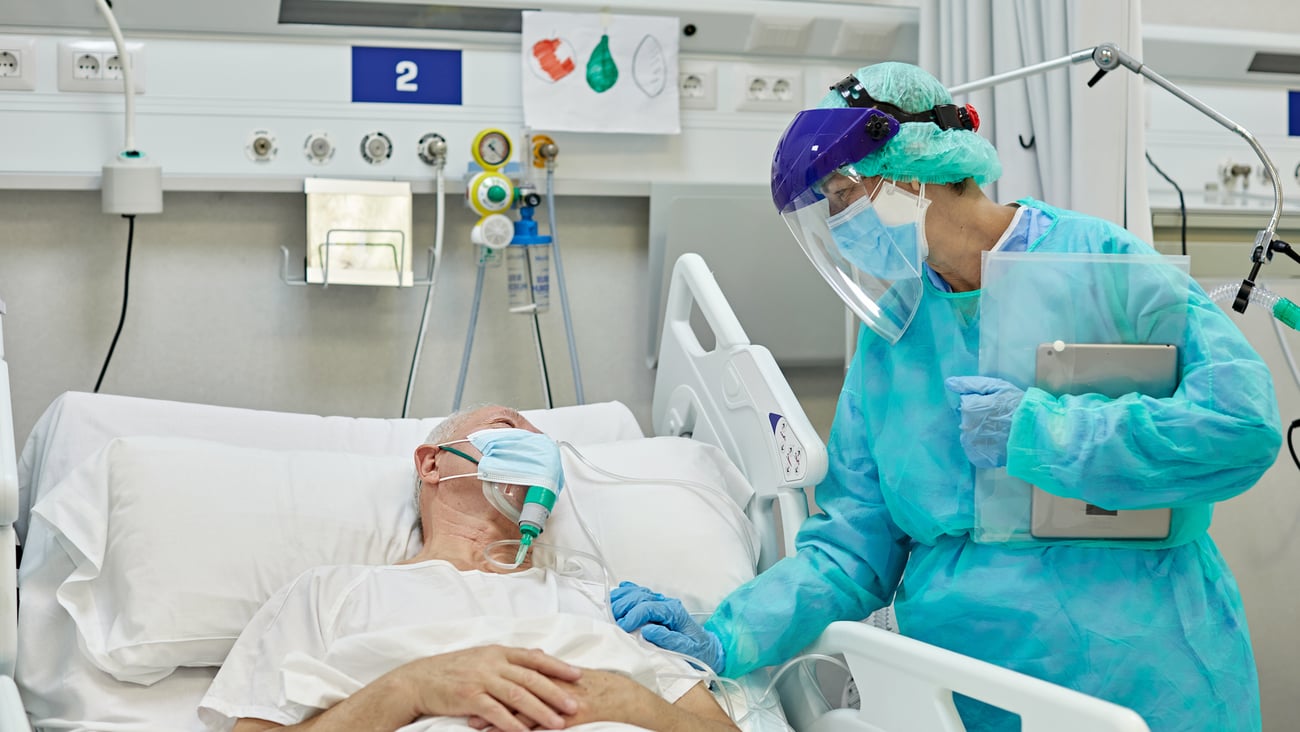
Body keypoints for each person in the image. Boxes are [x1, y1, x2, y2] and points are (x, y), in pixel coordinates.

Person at [612, 62, 1283, 731]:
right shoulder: (895, 337)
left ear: (914, 165)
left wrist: (1042, 432)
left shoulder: (1100, 264)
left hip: (1139, 670)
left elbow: (1240, 424)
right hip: (965, 689)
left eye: (846, 194)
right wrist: (727, 637)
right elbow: (850, 549)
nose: (843, 223)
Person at [198, 404, 738, 732]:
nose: (534, 447)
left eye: (543, 446)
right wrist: (409, 689)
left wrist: (631, 702)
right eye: (508, 427)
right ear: (431, 462)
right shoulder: (330, 593)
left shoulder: (600, 600)